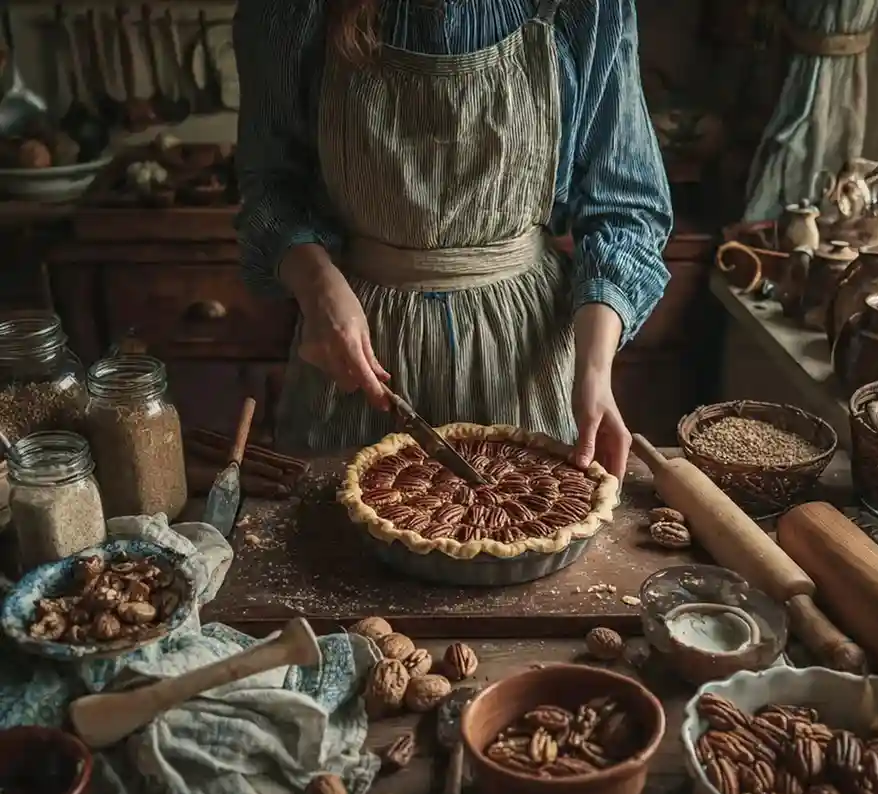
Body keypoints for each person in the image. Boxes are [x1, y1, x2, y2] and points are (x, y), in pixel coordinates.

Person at [234, 0, 672, 479]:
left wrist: (592, 371)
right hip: (357, 352)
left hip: (525, 355)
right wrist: (317, 287)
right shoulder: (291, 11)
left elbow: (624, 209)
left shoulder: (584, 8)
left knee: (527, 517)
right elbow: (271, 187)